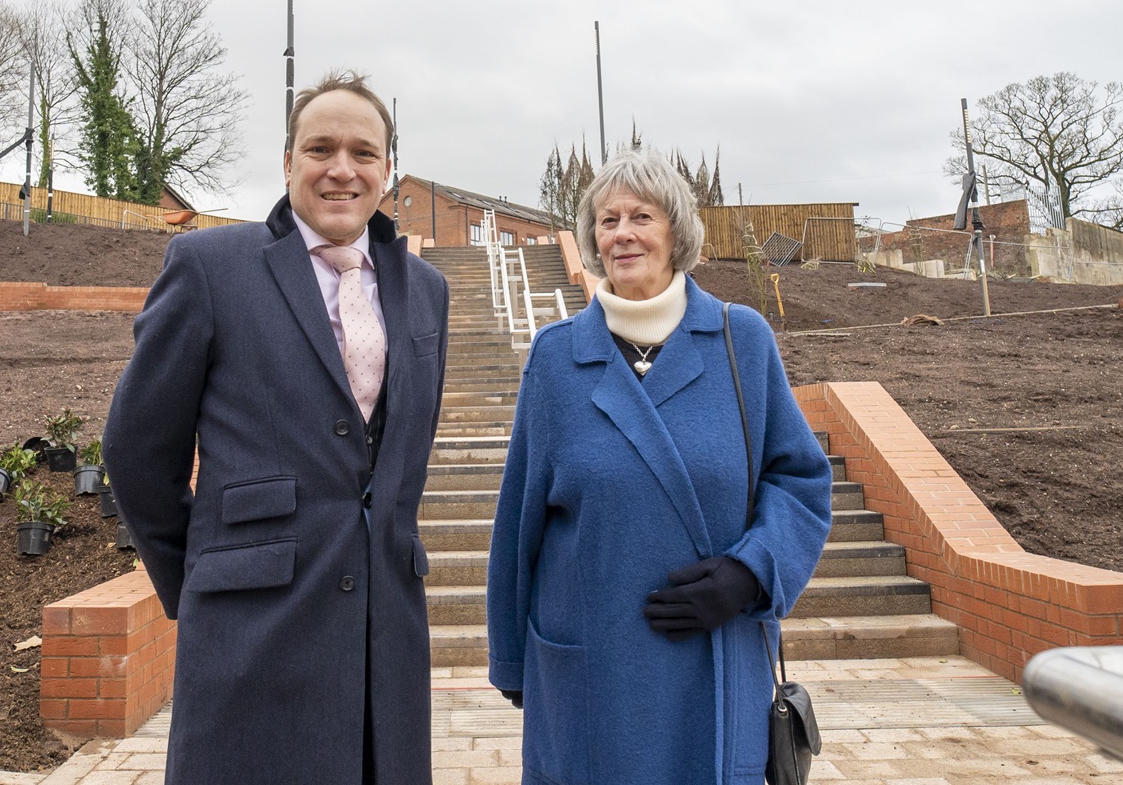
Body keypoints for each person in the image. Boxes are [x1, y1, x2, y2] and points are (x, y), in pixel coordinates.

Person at [103, 71, 450, 785]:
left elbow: (399, 463)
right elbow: (137, 451)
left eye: (364, 151)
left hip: (386, 645)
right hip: (250, 637)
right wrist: (201, 579)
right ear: (288, 161)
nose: (342, 168)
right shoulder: (208, 267)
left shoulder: (428, 292)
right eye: (320, 148)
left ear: (388, 168)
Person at [486, 149, 832, 785]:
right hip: (589, 666)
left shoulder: (740, 340)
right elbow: (518, 520)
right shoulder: (557, 357)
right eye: (607, 219)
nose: (621, 233)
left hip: (714, 655)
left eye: (640, 216)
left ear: (676, 230)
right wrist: (511, 658)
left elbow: (799, 480)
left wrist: (750, 574)